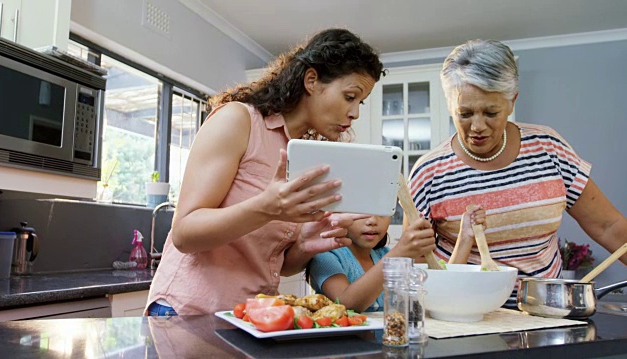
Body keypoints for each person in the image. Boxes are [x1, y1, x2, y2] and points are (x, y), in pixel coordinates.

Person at [146, 28, 386, 316]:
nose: (355, 113)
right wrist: (266, 207)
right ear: (311, 80)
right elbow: (184, 234)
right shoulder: (238, 120)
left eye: (360, 102)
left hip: (251, 319)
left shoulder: (304, 156)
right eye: (350, 96)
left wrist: (305, 245)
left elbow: (283, 267)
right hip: (188, 311)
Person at [407, 39, 627, 306]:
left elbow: (609, 226)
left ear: (512, 101)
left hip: (543, 312)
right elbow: (414, 263)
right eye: (464, 113)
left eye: (491, 112)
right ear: (449, 104)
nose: (477, 126)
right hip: (464, 314)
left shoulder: (549, 148)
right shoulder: (429, 172)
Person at [308, 207, 485, 313]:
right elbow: (347, 304)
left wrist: (465, 238)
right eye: (361, 212)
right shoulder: (326, 256)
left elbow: (443, 290)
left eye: (382, 212)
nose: (372, 221)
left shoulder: (384, 254)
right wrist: (399, 253)